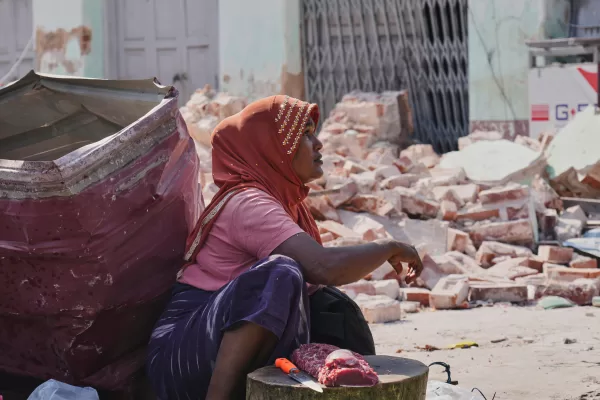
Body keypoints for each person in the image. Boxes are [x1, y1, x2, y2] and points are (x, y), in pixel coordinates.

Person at [146, 95, 424, 400]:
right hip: (181, 356)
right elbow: (324, 266)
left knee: (332, 308)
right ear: (271, 148)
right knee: (281, 272)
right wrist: (388, 247)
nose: (317, 144)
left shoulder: (285, 204)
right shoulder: (248, 202)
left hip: (210, 341)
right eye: (304, 134)